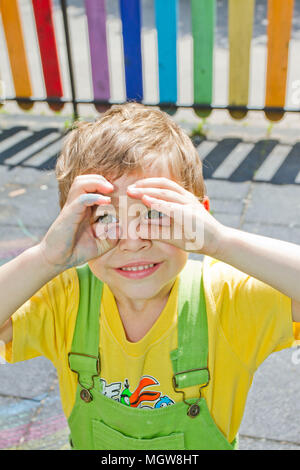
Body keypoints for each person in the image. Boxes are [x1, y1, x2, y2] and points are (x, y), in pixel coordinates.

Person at [0, 102, 299, 450]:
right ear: (75, 226)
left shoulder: (225, 301)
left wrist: (222, 241)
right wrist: (46, 258)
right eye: (106, 219)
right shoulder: (66, 300)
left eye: (156, 214)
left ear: (197, 219)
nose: (134, 241)